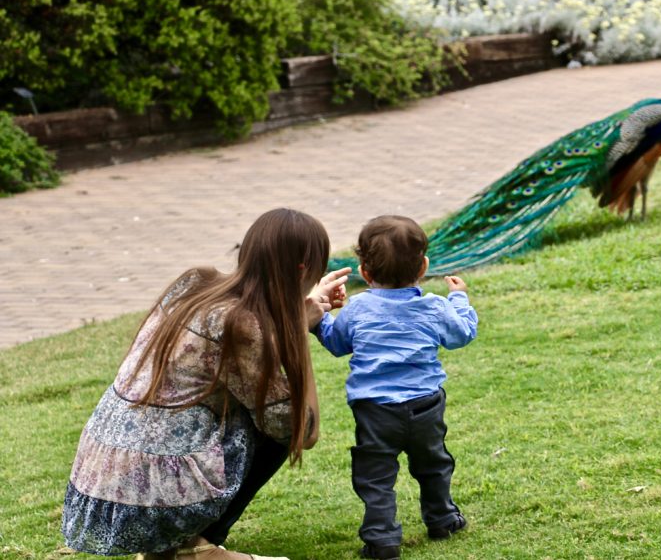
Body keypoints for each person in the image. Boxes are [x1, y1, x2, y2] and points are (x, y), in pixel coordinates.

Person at [62, 208, 351, 560]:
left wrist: (295, 309)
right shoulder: (240, 326)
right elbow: (303, 431)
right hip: (148, 494)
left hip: (103, 476)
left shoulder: (194, 284)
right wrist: (297, 332)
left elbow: (247, 334)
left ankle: (176, 546)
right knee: (272, 421)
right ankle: (190, 549)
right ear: (303, 271)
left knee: (250, 404)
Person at [312, 215, 478, 560]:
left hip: (375, 411)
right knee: (433, 463)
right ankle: (443, 519)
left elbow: (336, 343)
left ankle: (382, 539)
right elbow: (462, 334)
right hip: (426, 405)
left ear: (365, 272)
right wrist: (459, 299)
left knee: (375, 475)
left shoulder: (357, 308)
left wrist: (318, 318)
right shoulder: (435, 307)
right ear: (423, 268)